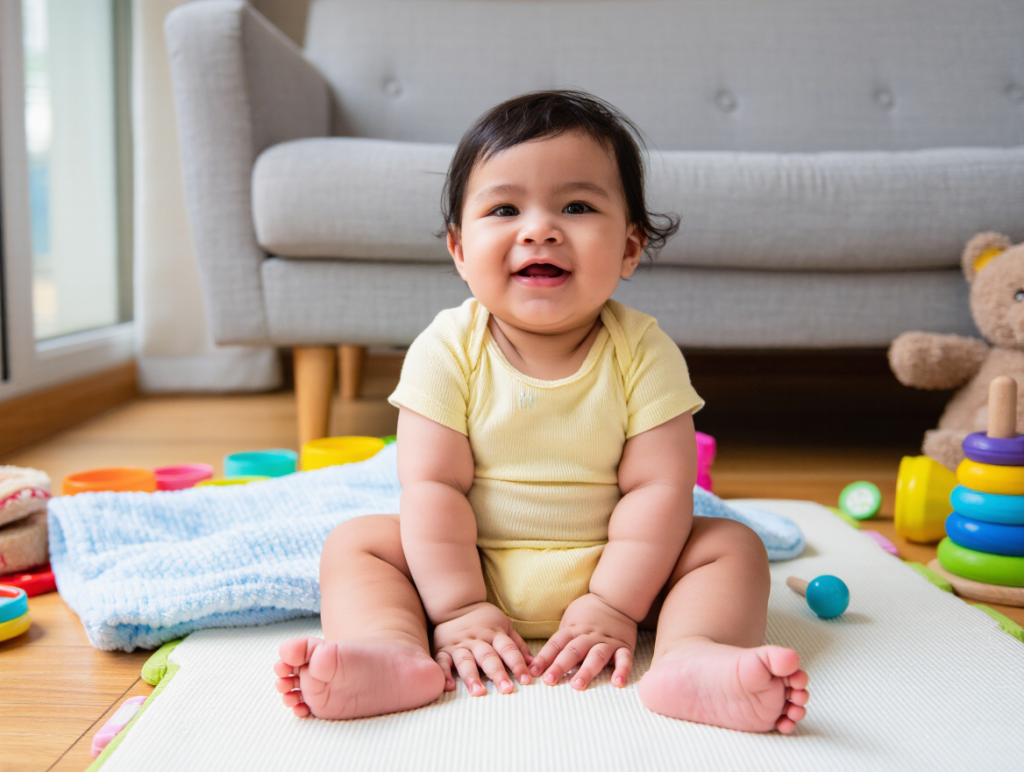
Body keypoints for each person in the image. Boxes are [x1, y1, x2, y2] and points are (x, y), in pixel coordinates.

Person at [273, 90, 809, 733]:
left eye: (577, 206)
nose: (540, 229)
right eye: (504, 208)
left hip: (620, 569)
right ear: (460, 250)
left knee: (730, 548)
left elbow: (660, 489)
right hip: (469, 565)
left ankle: (690, 657)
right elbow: (433, 487)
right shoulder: (446, 350)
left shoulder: (644, 352)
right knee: (357, 545)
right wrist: (459, 606)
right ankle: (392, 650)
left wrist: (614, 603)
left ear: (631, 248)